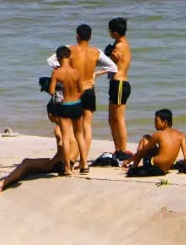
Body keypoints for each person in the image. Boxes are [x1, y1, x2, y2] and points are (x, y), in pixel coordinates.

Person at [48, 24, 116, 172]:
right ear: (90, 37)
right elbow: (113, 67)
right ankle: (83, 163)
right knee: (86, 127)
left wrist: (61, 71)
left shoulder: (69, 49)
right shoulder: (96, 52)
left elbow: (51, 61)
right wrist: (96, 74)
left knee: (69, 130)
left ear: (77, 36)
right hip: (89, 89)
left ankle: (70, 161)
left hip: (73, 91)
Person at [122, 109, 186, 177]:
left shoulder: (158, 134)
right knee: (151, 142)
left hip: (154, 166)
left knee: (145, 138)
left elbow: (142, 152)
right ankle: (134, 166)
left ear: (164, 122)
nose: (154, 123)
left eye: (156, 121)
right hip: (166, 168)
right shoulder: (181, 135)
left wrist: (128, 160)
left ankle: (135, 166)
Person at [46, 46, 84, 173]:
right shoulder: (76, 72)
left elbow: (52, 92)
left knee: (66, 137)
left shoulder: (56, 73)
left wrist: (59, 89)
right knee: (79, 135)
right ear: (70, 57)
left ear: (58, 58)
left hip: (63, 106)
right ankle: (84, 165)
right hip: (76, 104)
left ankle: (67, 168)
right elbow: (81, 90)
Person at [106, 17, 132, 160]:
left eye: (110, 30)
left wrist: (108, 55)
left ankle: (123, 150)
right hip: (115, 83)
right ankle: (117, 150)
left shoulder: (120, 46)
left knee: (119, 119)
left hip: (120, 83)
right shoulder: (118, 43)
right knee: (111, 119)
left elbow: (108, 63)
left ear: (115, 32)